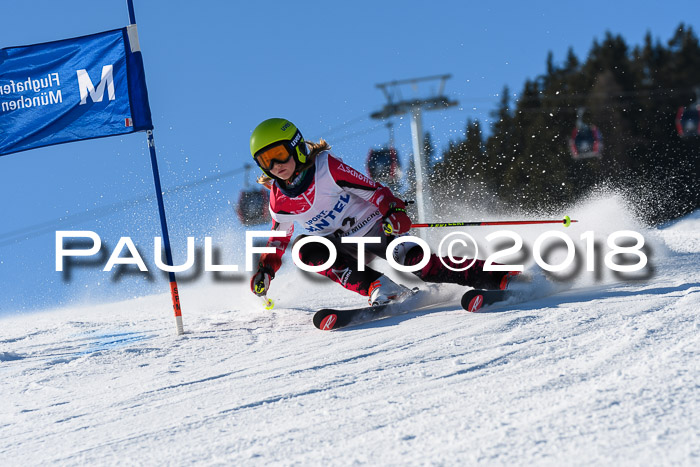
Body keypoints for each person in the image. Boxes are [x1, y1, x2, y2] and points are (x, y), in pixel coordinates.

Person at [249, 118, 518, 306]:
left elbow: (376, 191)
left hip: (377, 227)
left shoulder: (326, 168)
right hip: (342, 245)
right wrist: (265, 270)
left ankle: (500, 276)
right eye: (265, 160)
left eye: (279, 154)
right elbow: (278, 239)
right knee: (304, 249)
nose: (275, 165)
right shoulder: (279, 199)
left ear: (295, 146)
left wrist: (393, 212)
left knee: (417, 264)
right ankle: (380, 287)